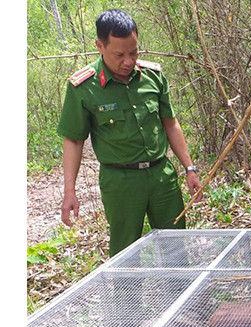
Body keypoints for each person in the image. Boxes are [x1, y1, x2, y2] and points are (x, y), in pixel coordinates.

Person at [57, 9, 203, 257]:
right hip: (120, 181)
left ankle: (178, 293)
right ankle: (128, 297)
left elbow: (170, 124)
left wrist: (189, 168)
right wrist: (69, 191)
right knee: (126, 254)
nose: (128, 61)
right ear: (100, 46)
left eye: (134, 52)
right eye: (119, 54)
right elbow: (73, 139)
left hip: (161, 177)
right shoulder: (83, 87)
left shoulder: (153, 77)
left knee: (175, 248)